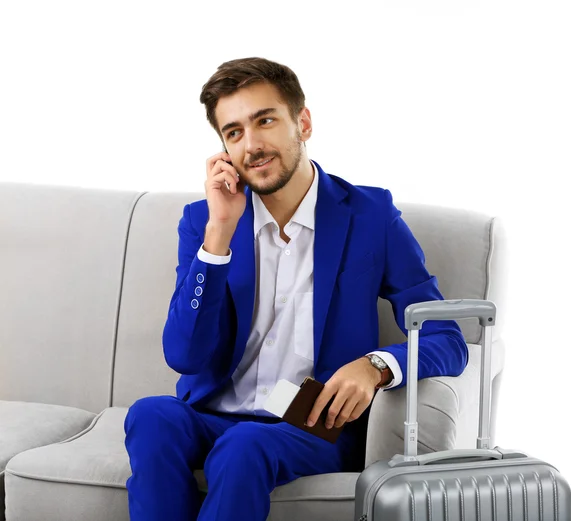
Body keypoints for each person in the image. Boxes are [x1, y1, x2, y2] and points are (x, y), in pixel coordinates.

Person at [123, 57, 468, 521]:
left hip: (309, 421)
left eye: (265, 120)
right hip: (213, 410)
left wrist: (376, 367)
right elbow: (184, 356)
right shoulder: (203, 222)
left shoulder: (370, 216)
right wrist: (220, 233)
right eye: (234, 132)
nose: (253, 145)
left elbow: (446, 336)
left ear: (302, 122)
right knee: (151, 416)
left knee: (244, 446)